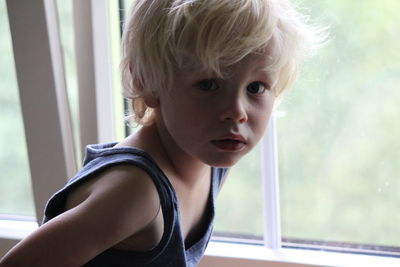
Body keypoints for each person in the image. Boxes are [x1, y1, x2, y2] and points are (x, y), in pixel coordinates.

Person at [0, 0, 321, 266]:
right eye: (208, 84)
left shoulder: (210, 156)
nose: (236, 112)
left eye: (256, 87)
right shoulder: (135, 192)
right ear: (144, 82)